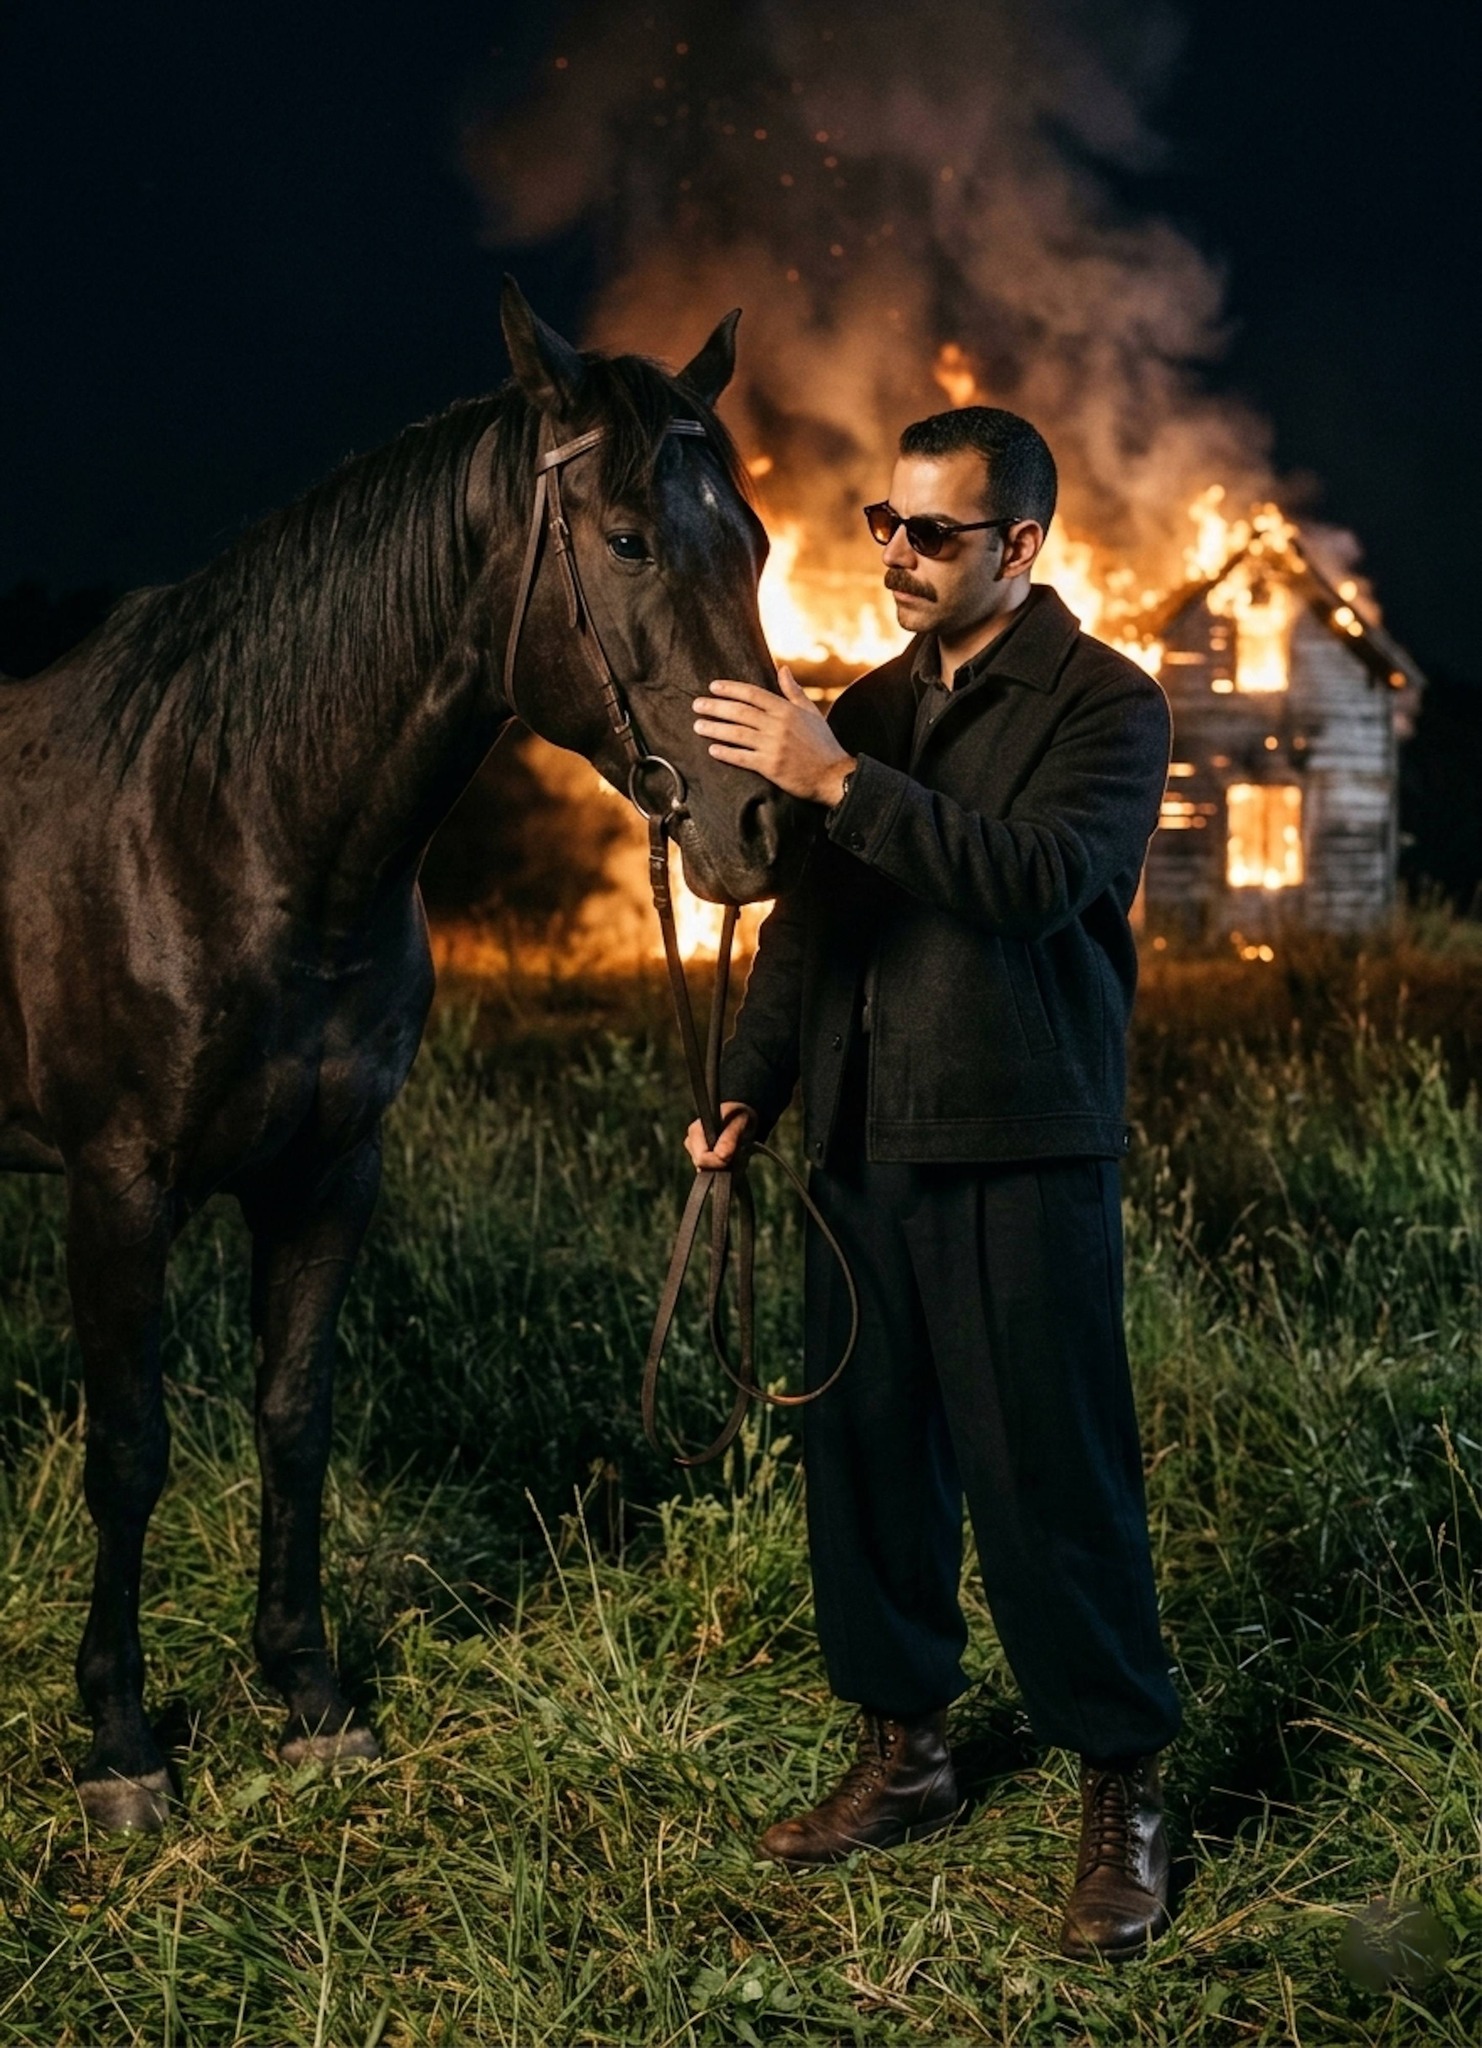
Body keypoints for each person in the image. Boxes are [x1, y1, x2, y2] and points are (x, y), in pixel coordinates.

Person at [684, 405, 1181, 1961]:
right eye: (881, 523)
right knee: (870, 1473)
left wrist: (840, 785)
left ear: (1021, 547)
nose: (894, 554)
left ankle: (1124, 1788)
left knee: (1051, 1479)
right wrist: (748, 1086)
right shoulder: (867, 707)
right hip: (855, 1147)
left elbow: (1035, 884)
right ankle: (907, 1754)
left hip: (1018, 1144)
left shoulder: (1107, 705)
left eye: (933, 534)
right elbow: (810, 930)